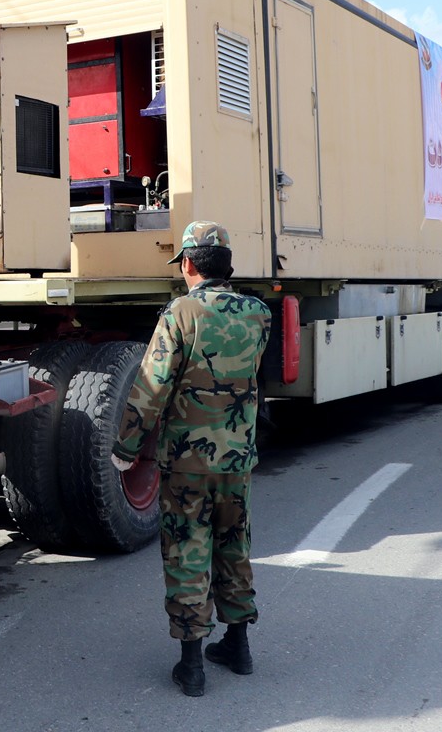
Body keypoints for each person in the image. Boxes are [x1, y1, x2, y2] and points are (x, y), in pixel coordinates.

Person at [112, 221, 272, 697]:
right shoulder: (259, 314)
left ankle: (192, 665)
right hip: (238, 458)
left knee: (187, 550)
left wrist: (126, 447)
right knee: (233, 544)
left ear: (187, 264)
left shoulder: (181, 313)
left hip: (187, 462)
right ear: (229, 266)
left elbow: (151, 387)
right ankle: (238, 647)